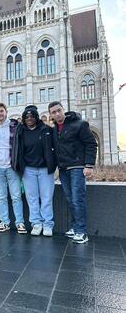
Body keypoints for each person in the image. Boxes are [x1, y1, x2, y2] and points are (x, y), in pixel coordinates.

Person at [49, 101, 97, 244]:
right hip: (63, 169)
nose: (57, 114)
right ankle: (75, 227)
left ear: (63, 110)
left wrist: (89, 165)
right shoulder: (54, 129)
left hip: (77, 167)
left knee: (78, 199)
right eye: (54, 112)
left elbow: (91, 144)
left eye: (59, 110)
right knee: (70, 199)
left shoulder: (79, 124)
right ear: (51, 115)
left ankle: (82, 232)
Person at [0, 103, 27, 234]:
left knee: (16, 197)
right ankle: (5, 222)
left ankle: (20, 223)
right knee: (2, 197)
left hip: (11, 167)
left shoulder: (15, 127)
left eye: (1, 111)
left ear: (6, 112)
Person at [17, 105, 56, 236]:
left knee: (46, 198)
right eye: (27, 117)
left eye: (32, 116)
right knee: (32, 198)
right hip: (28, 170)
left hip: (45, 170)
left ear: (36, 117)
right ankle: (36, 223)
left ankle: (47, 224)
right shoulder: (20, 132)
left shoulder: (47, 130)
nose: (29, 118)